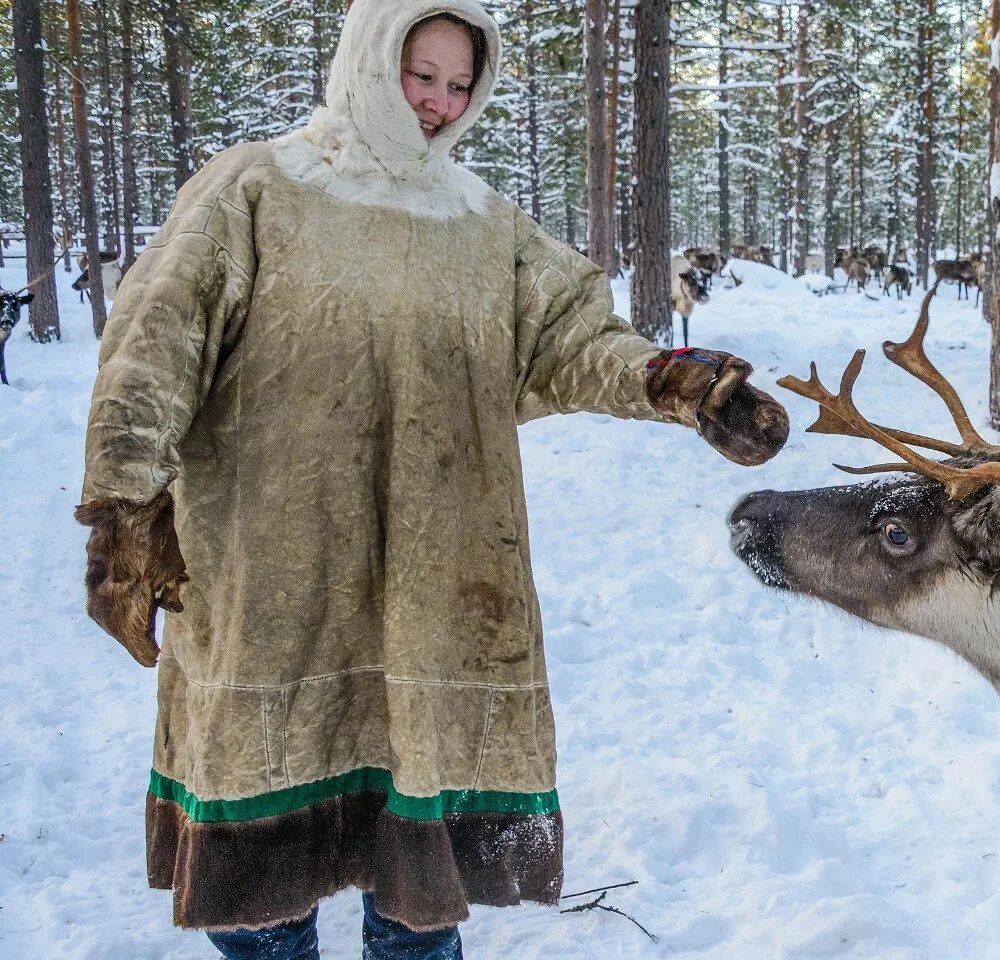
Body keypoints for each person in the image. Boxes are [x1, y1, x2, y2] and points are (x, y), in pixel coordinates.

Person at [73, 2, 788, 957]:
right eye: (422, 76)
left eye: (460, 85)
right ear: (368, 61)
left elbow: (575, 337)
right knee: (263, 877)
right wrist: (125, 509)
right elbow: (155, 343)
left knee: (418, 877)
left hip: (432, 578)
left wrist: (677, 383)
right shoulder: (254, 188)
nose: (440, 105)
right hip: (270, 576)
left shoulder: (483, 228)